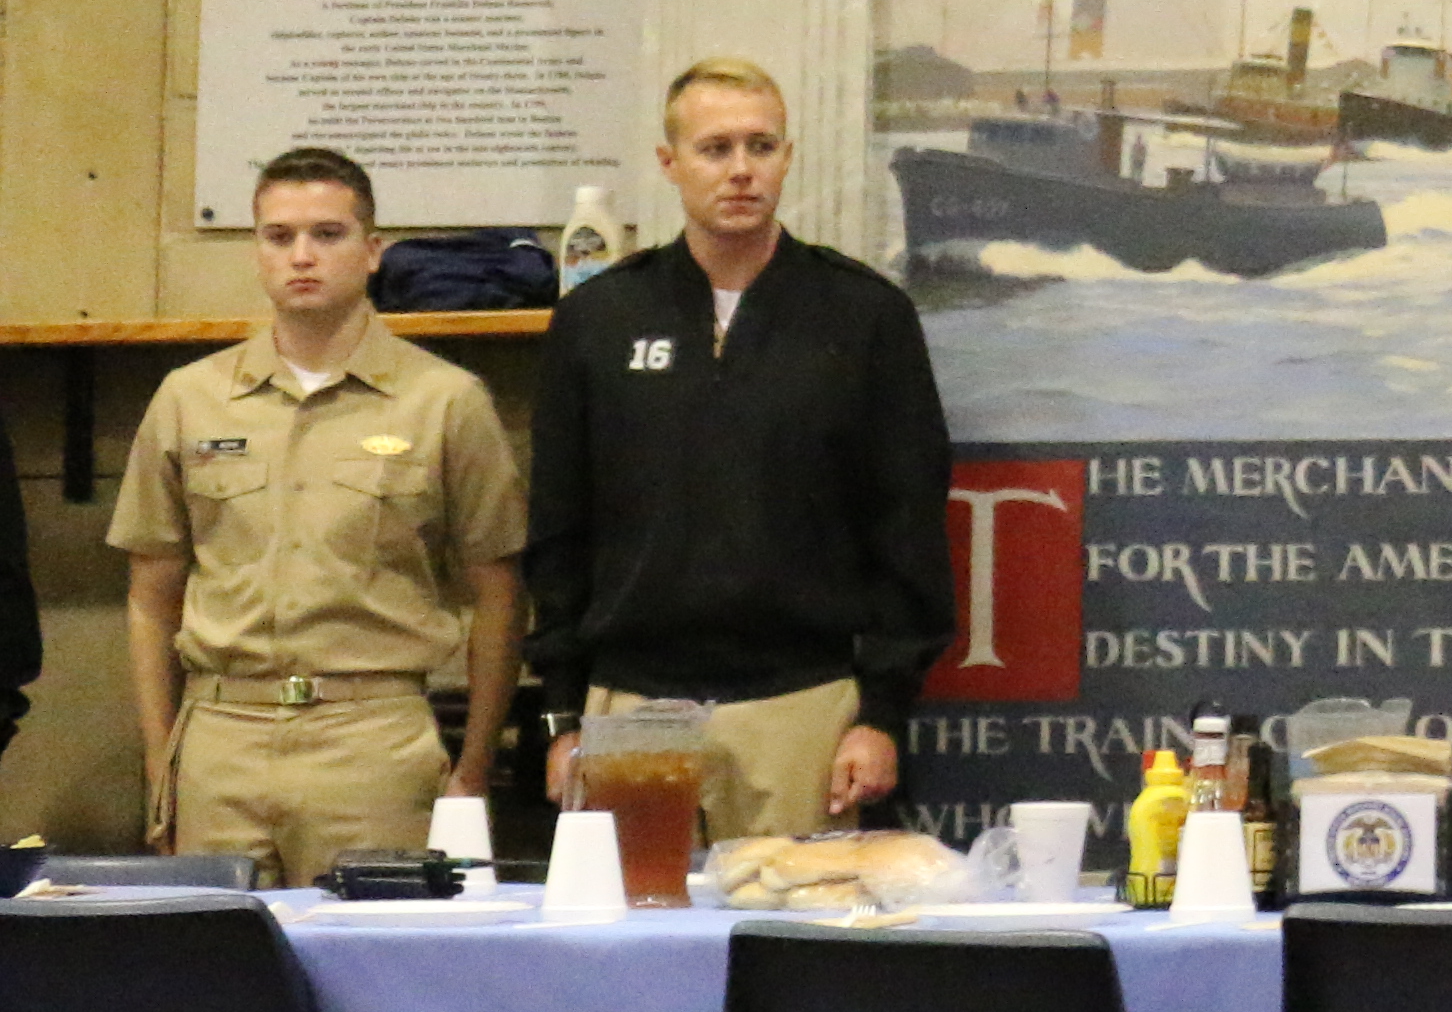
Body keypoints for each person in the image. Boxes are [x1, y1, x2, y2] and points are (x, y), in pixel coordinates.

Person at [529, 60, 956, 848]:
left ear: (786, 158)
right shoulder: (599, 319)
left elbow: (909, 531)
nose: (739, 170)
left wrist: (883, 716)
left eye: (760, 146)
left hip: (803, 704)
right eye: (714, 148)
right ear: (670, 164)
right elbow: (558, 534)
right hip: (632, 704)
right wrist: (561, 716)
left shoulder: (864, 317)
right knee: (633, 952)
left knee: (796, 947)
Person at [110, 145, 526, 883]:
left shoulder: (446, 401)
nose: (302, 255)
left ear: (372, 253)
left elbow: (499, 593)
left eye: (328, 235)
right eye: (279, 236)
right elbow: (150, 597)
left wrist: (473, 768)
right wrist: (159, 764)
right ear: (258, 250)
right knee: (219, 976)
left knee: (374, 975)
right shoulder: (189, 398)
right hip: (221, 740)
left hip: (372, 743)